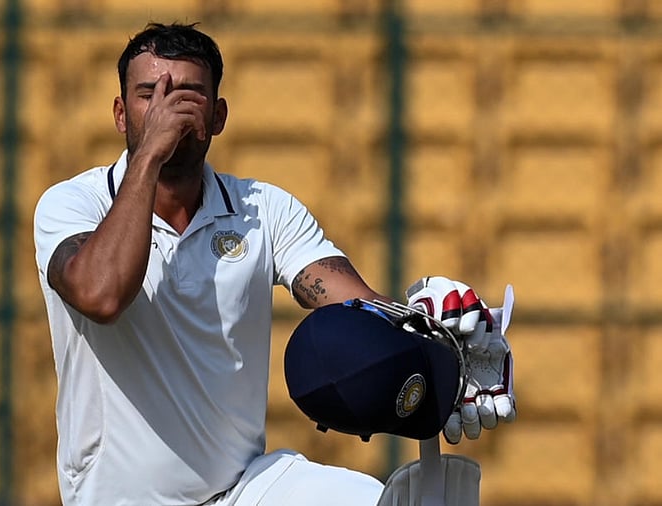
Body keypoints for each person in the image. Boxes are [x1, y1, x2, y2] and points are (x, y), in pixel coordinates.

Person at [34, 22, 513, 506]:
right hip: (118, 499)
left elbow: (355, 304)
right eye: (148, 95)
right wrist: (149, 157)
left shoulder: (262, 209)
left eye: (188, 94)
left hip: (245, 488)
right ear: (121, 114)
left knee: (387, 501)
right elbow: (101, 294)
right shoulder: (73, 205)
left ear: (218, 116)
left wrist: (432, 336)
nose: (167, 110)